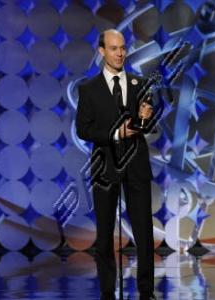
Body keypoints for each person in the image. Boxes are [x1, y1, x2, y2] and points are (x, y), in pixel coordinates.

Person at [76, 29, 156, 300]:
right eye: (113, 48)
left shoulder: (139, 83)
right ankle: (107, 291)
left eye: (122, 48)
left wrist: (146, 118)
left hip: (136, 166)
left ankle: (147, 292)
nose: (120, 53)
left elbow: (147, 125)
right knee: (105, 231)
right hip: (105, 167)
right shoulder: (88, 89)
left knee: (143, 231)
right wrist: (114, 133)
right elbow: (83, 130)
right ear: (102, 51)